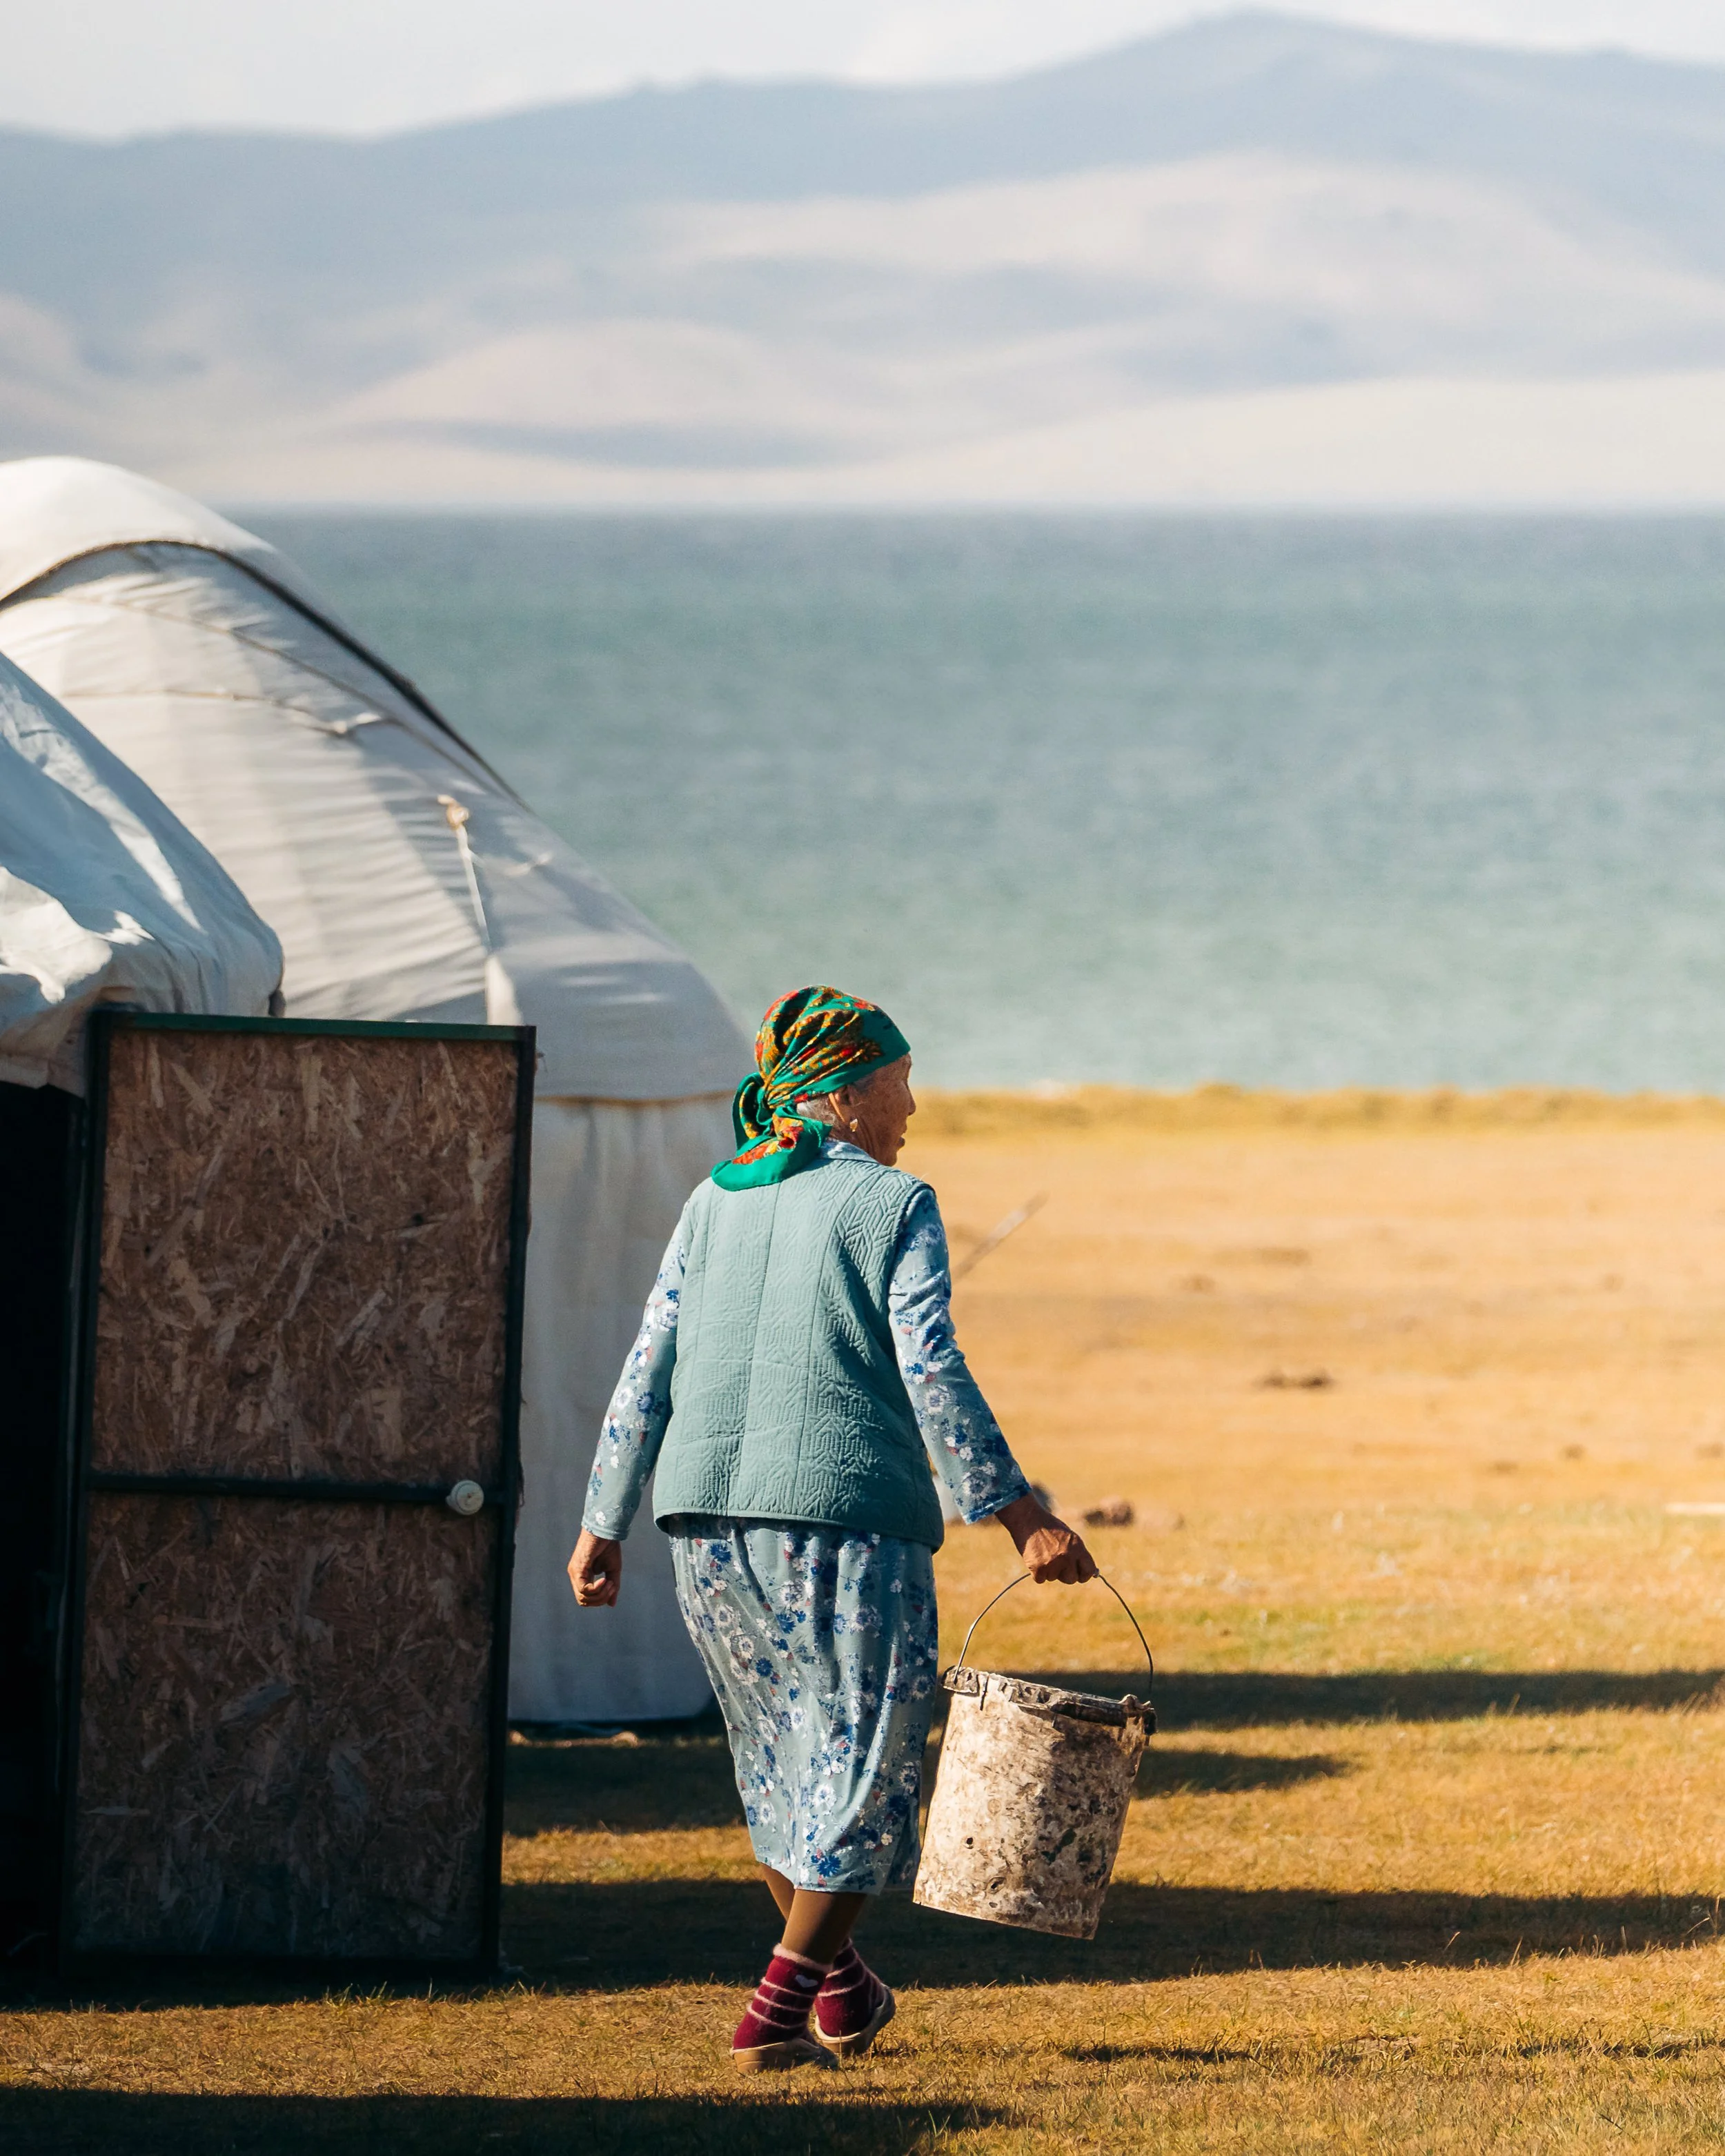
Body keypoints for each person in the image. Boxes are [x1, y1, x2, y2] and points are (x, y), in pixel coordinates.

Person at [569, 985, 1096, 2071]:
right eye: (900, 1084)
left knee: (782, 1771)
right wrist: (1020, 1513)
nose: (912, 1108)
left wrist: (602, 1516)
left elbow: (645, 1368)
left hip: (703, 1526)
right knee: (867, 1772)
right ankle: (772, 2016)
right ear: (847, 1095)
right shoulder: (893, 1204)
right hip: (846, 1523)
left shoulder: (712, 1200)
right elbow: (930, 1365)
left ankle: (842, 1994)